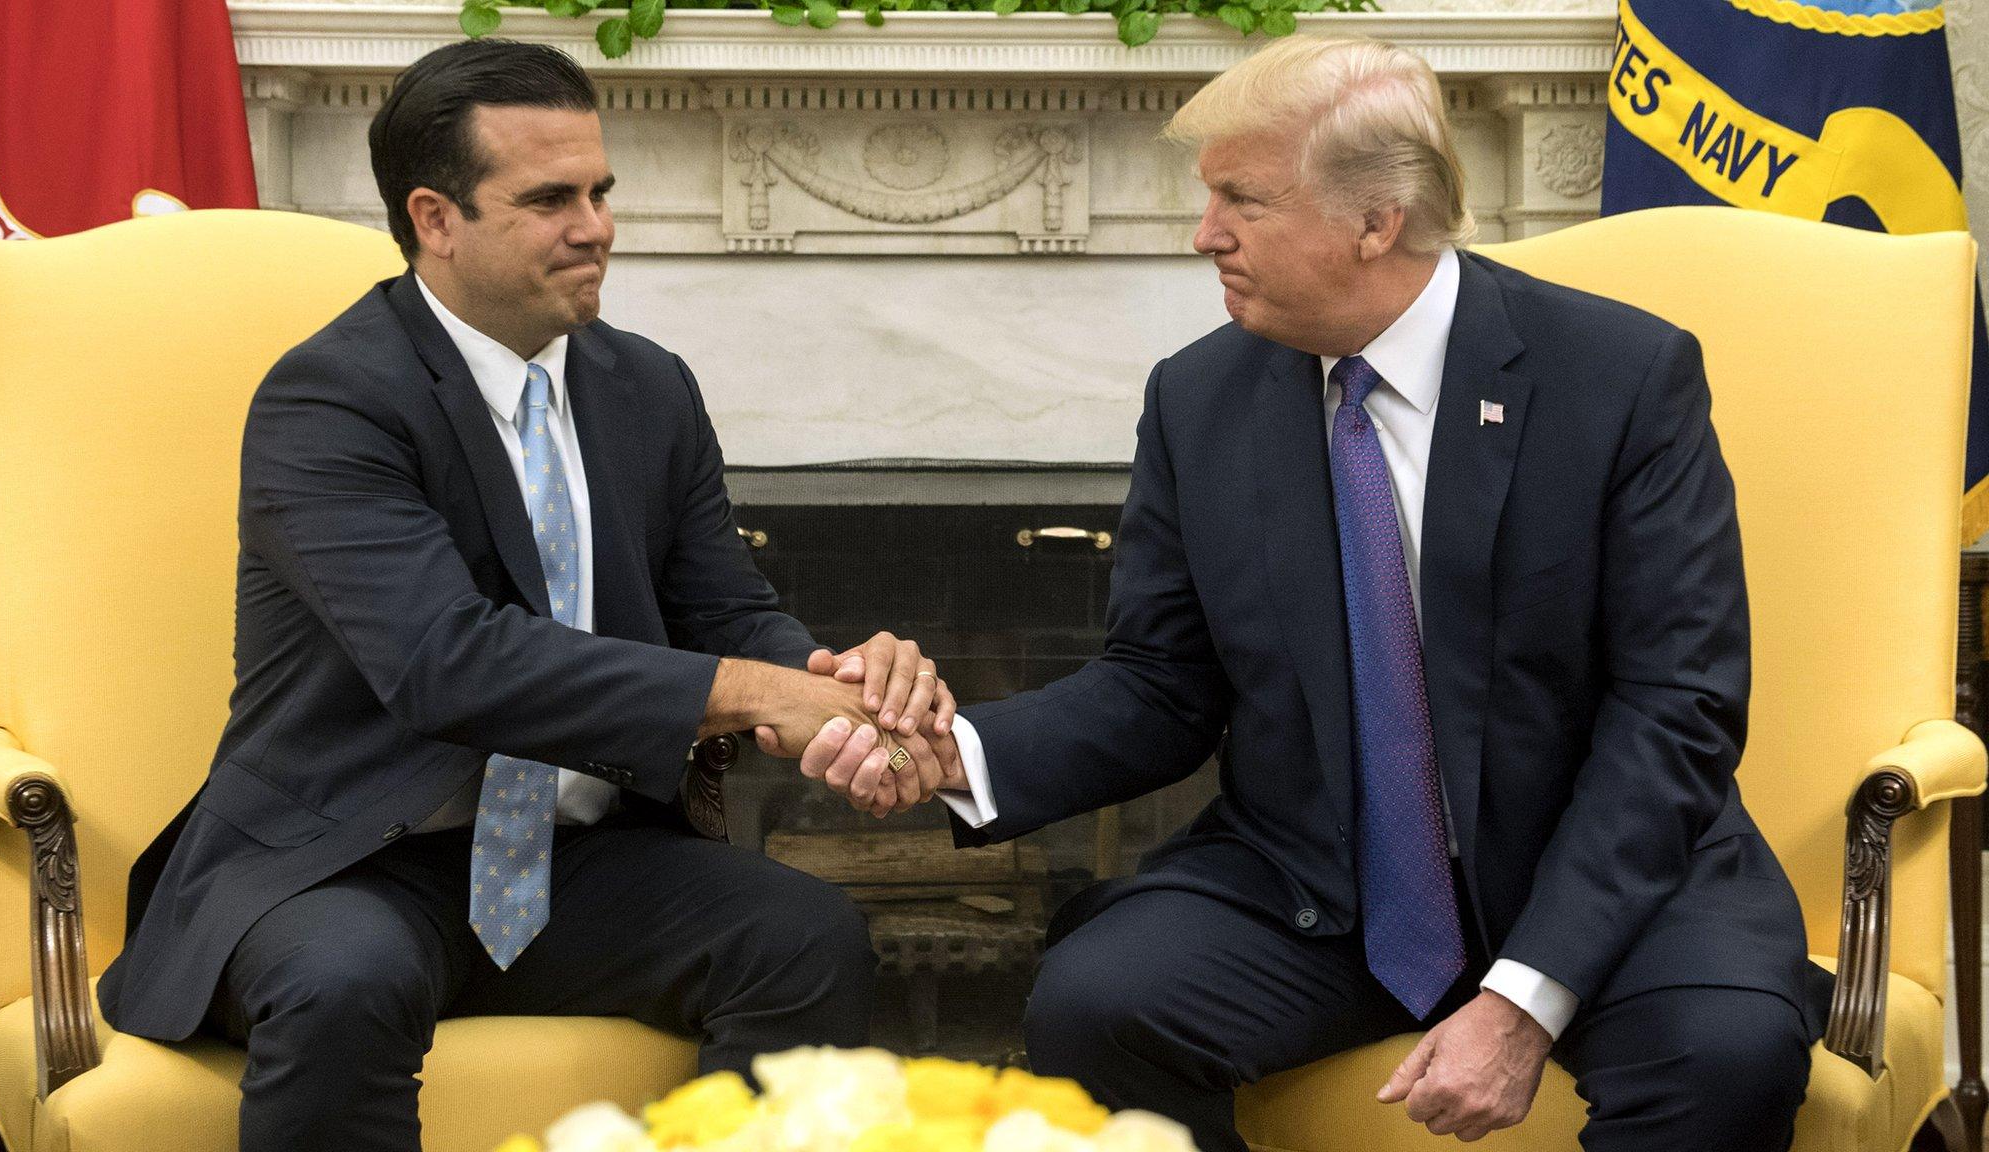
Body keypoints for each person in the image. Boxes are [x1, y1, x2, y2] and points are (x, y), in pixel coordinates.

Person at [805, 35, 1828, 1151]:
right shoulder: (1200, 399)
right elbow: (1159, 685)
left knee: (1721, 1060)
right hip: (1318, 881)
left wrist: (1523, 996)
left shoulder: (1619, 380)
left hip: (1596, 873)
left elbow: (1672, 709)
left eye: (1241, 199)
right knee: (1098, 1007)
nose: (1205, 235)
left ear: (1374, 221)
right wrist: (968, 754)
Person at [96, 38, 963, 1152]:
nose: (595, 224)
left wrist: (835, 690)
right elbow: (443, 661)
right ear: (434, 217)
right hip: (349, 857)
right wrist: (753, 690)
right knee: (344, 982)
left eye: (600, 191)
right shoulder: (329, 398)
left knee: (804, 936)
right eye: (550, 198)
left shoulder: (645, 385)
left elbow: (724, 611)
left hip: (575, 862)